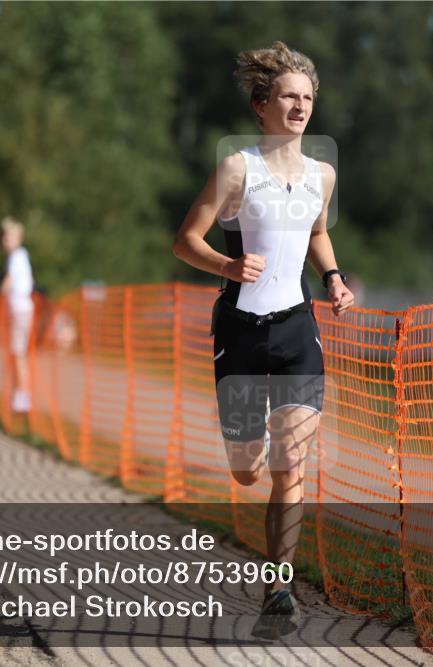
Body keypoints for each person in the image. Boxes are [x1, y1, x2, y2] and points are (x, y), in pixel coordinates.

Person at [172, 41, 354, 639]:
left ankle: (280, 586)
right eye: (288, 97)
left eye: (307, 98)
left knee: (291, 462)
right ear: (261, 104)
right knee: (249, 469)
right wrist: (227, 268)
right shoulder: (238, 169)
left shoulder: (322, 175)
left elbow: (317, 232)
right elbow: (186, 241)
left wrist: (332, 278)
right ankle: (274, 570)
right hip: (242, 332)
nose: (300, 107)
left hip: (298, 328)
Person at [0, 217, 35, 413]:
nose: (5, 240)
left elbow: (9, 280)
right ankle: (20, 394)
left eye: (9, 236)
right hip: (19, 310)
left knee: (18, 353)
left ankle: (23, 396)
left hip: (20, 310)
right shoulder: (18, 256)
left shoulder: (17, 256)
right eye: (4, 236)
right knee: (16, 353)